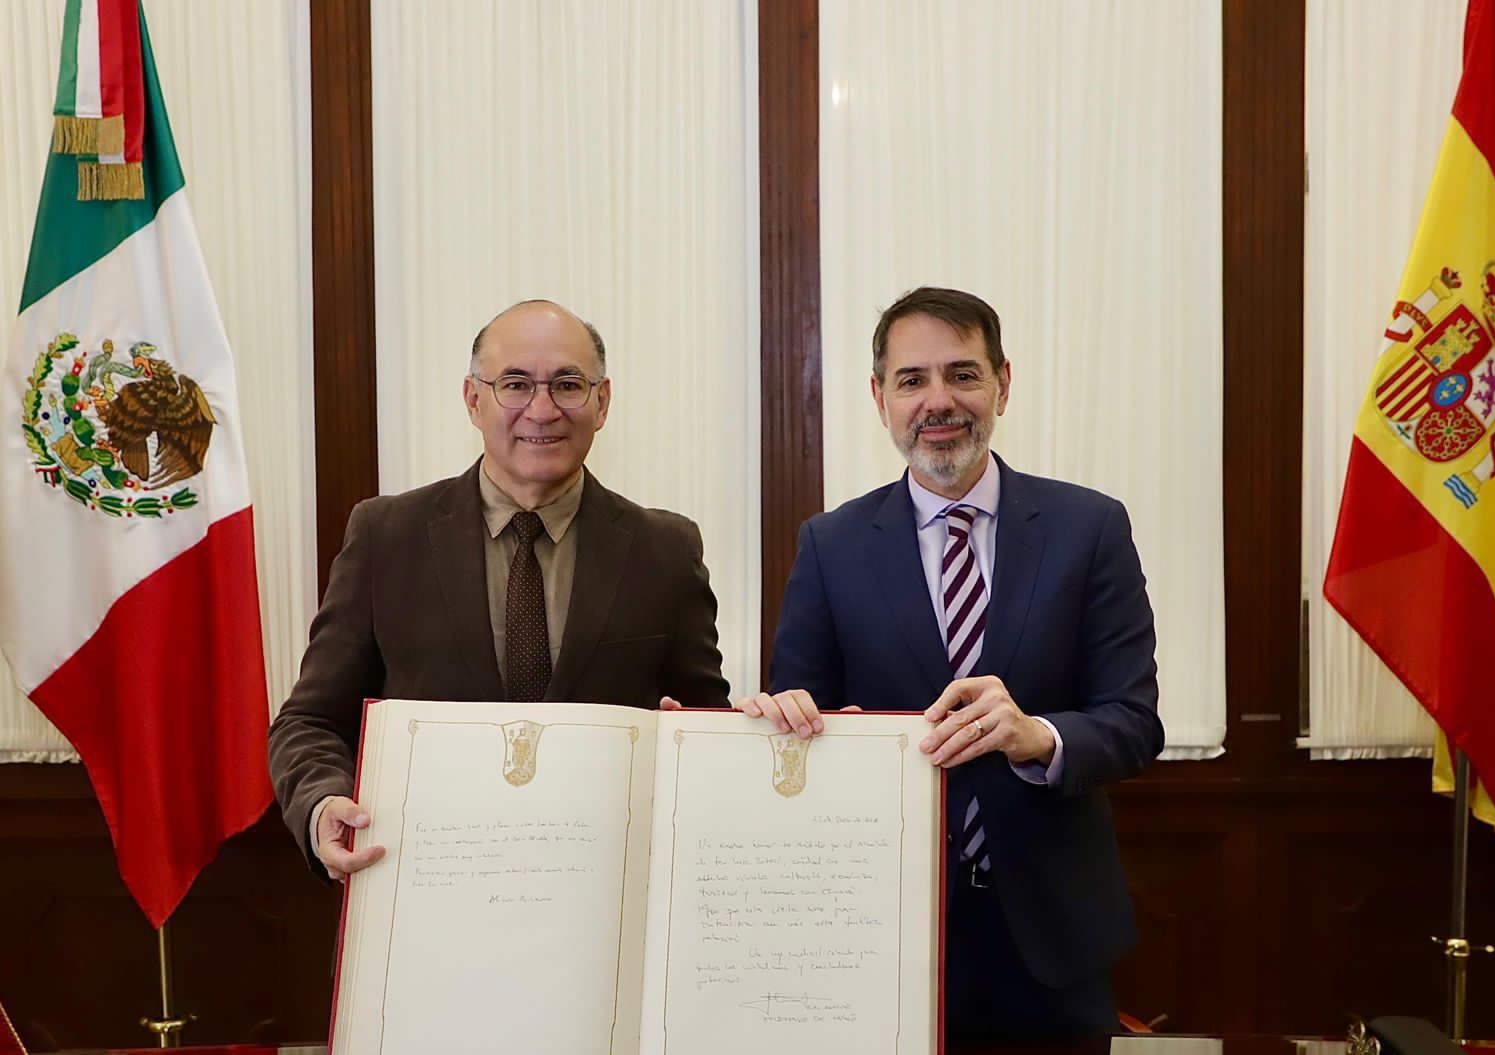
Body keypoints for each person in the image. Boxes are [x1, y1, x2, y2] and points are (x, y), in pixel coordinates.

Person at [748, 286, 1162, 1042]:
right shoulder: (830, 546)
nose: (938, 400)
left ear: (1003, 383)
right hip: (879, 934)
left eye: (962, 374)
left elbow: (1134, 723)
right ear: (880, 397)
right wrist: (777, 723)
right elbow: (799, 717)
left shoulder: (1090, 527)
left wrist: (1037, 736)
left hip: (1053, 940)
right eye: (912, 379)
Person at [268, 299, 729, 881]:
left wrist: (726, 732)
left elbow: (706, 729)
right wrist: (321, 804)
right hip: (428, 885)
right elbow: (309, 722)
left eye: (568, 385)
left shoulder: (665, 549)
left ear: (602, 402)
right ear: (473, 400)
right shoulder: (387, 536)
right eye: (515, 384)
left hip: (603, 896)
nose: (542, 409)